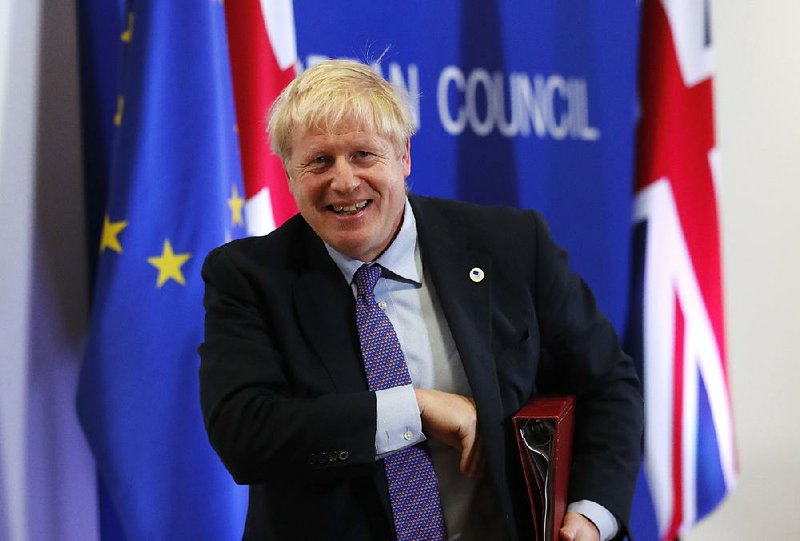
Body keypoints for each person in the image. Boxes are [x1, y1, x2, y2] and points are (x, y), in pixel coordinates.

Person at [199, 59, 643, 541]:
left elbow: (606, 387)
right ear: (289, 174)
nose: (344, 182)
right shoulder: (250, 276)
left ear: (404, 156)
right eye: (319, 161)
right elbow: (244, 433)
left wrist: (590, 515)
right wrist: (414, 408)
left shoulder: (510, 246)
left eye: (364, 155)